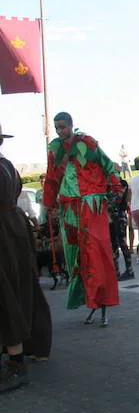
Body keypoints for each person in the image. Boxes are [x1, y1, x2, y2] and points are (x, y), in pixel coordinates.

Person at [43, 112, 121, 326]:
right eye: (57, 128)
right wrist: (49, 205)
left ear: (71, 125)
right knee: (75, 257)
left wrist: (115, 187)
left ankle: (103, 302)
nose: (60, 131)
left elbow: (107, 164)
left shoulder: (88, 143)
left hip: (90, 204)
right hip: (68, 207)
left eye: (63, 127)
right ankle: (90, 301)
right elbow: (51, 176)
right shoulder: (55, 149)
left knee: (97, 254)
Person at [1, 124, 52, 392]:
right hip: (14, 230)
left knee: (7, 293)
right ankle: (29, 347)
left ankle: (16, 363)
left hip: (5, 234)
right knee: (21, 288)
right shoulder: (7, 164)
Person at [109, 179, 134, 281]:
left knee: (122, 243)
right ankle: (116, 270)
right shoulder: (107, 184)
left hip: (118, 215)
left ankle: (129, 269)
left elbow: (117, 200)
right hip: (111, 217)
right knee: (113, 244)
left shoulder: (121, 184)